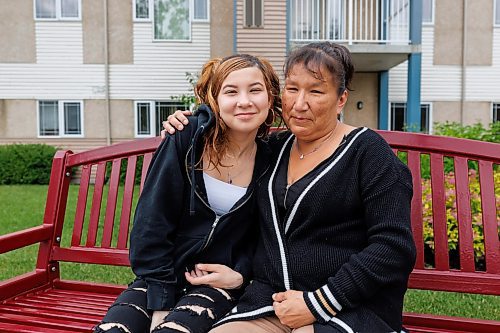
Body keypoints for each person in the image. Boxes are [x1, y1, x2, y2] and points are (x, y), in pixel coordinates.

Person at [162, 42, 416, 333]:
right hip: (271, 302)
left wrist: (318, 303)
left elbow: (393, 248)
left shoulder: (368, 153)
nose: (299, 103)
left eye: (316, 91)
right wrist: (191, 124)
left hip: (347, 307)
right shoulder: (273, 149)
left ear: (341, 99)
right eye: (292, 89)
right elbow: (228, 141)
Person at [94, 54, 281, 333]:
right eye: (231, 91)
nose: (245, 101)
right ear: (215, 100)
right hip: (160, 278)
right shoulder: (186, 138)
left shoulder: (273, 159)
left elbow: (265, 235)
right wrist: (161, 302)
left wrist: (240, 276)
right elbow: (151, 223)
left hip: (216, 284)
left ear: (270, 97)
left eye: (255, 90)